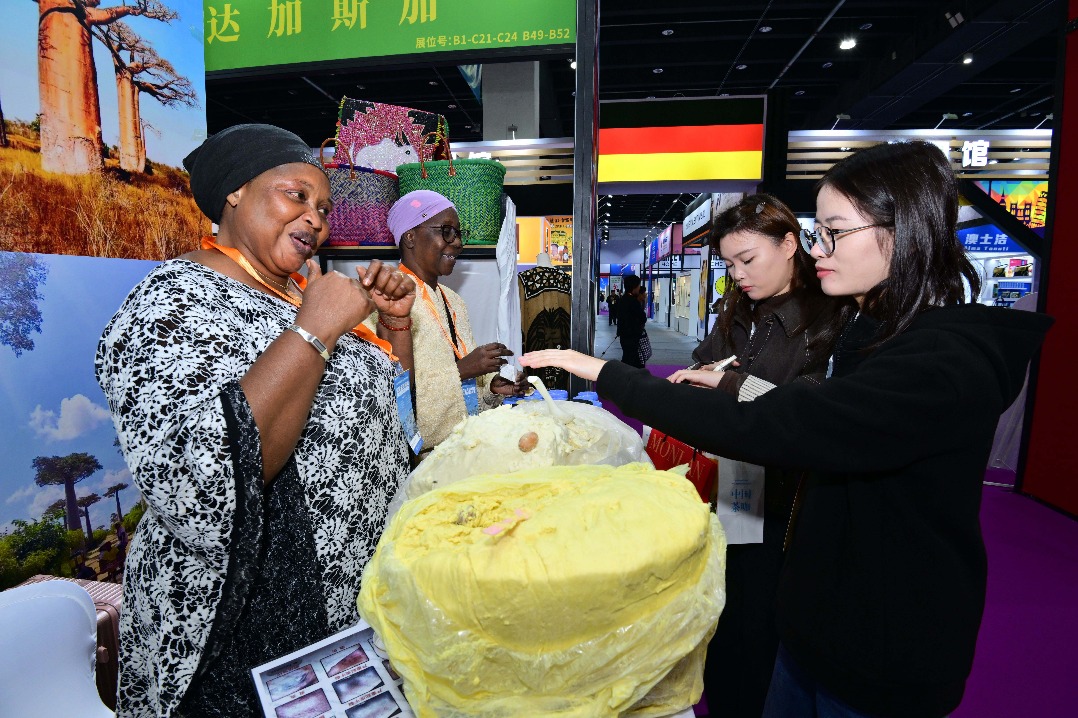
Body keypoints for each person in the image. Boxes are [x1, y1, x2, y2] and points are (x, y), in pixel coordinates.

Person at [520, 140, 1053, 718]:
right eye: (819, 231)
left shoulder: (939, 363)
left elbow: (782, 422)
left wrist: (609, 374)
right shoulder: (871, 330)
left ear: (905, 231)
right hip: (814, 618)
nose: (820, 249)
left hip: (879, 648)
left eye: (834, 232)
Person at [96, 124, 417, 718]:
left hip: (348, 614)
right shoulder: (170, 300)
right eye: (297, 195)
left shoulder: (300, 296)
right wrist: (315, 330)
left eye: (324, 208)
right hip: (242, 627)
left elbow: (391, 423)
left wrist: (395, 325)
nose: (316, 218)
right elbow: (206, 480)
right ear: (235, 193)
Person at [684, 193, 845, 718]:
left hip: (793, 494)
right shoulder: (738, 308)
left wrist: (730, 384)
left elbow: (806, 412)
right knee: (728, 604)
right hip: (737, 477)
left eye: (748, 259)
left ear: (790, 244)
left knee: (771, 620)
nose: (738, 275)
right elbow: (707, 360)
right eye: (729, 264)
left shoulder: (829, 317)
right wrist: (705, 375)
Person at [380, 190, 526, 457]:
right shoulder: (386, 298)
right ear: (410, 236)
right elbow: (388, 399)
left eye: (458, 234)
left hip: (462, 450)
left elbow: (464, 396)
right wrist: (462, 370)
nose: (457, 243)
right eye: (447, 232)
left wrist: (491, 389)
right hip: (419, 462)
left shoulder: (454, 301)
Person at [616, 275, 647, 367]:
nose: (639, 288)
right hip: (632, 335)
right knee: (632, 359)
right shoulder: (632, 301)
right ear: (634, 286)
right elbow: (642, 317)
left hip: (624, 334)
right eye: (638, 286)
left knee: (628, 357)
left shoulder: (623, 299)